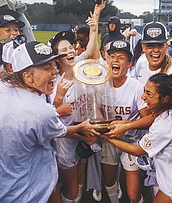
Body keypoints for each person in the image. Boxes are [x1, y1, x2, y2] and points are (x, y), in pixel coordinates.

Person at [0, 41, 100, 203]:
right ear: (27, 76)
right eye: (47, 68)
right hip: (28, 193)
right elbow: (62, 131)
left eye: (54, 65)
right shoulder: (40, 112)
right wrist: (82, 127)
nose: (55, 72)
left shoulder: (5, 87)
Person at [102, 73, 172, 203]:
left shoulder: (164, 126)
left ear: (165, 98)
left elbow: (137, 150)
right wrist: (125, 125)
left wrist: (107, 137)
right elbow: (153, 118)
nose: (143, 97)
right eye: (144, 91)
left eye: (149, 94)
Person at [49, 5, 105, 203]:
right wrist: (58, 102)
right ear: (57, 57)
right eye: (64, 50)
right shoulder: (53, 82)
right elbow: (47, 117)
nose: (70, 50)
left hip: (84, 133)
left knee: (81, 172)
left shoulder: (80, 65)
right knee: (70, 190)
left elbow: (90, 49)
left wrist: (95, 22)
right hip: (66, 139)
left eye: (71, 47)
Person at [100, 39, 150, 203]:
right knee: (109, 182)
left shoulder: (136, 87)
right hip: (109, 139)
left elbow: (148, 118)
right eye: (112, 56)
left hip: (131, 140)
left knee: (133, 195)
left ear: (129, 63)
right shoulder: (99, 85)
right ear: (106, 59)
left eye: (121, 58)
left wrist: (127, 126)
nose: (115, 60)